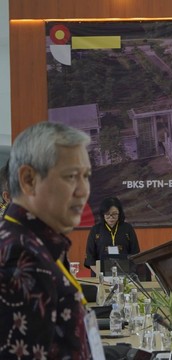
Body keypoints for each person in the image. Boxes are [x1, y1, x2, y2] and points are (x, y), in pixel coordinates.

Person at [0, 122, 92, 358]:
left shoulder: (36, 243)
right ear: (29, 180)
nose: (83, 190)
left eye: (86, 176)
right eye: (71, 176)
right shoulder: (21, 256)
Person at [84, 196, 140, 271]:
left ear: (119, 213)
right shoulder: (95, 230)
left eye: (114, 214)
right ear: (102, 214)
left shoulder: (127, 228)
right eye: (107, 214)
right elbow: (90, 257)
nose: (111, 217)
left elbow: (135, 253)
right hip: (99, 273)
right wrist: (100, 275)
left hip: (124, 273)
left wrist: (129, 272)